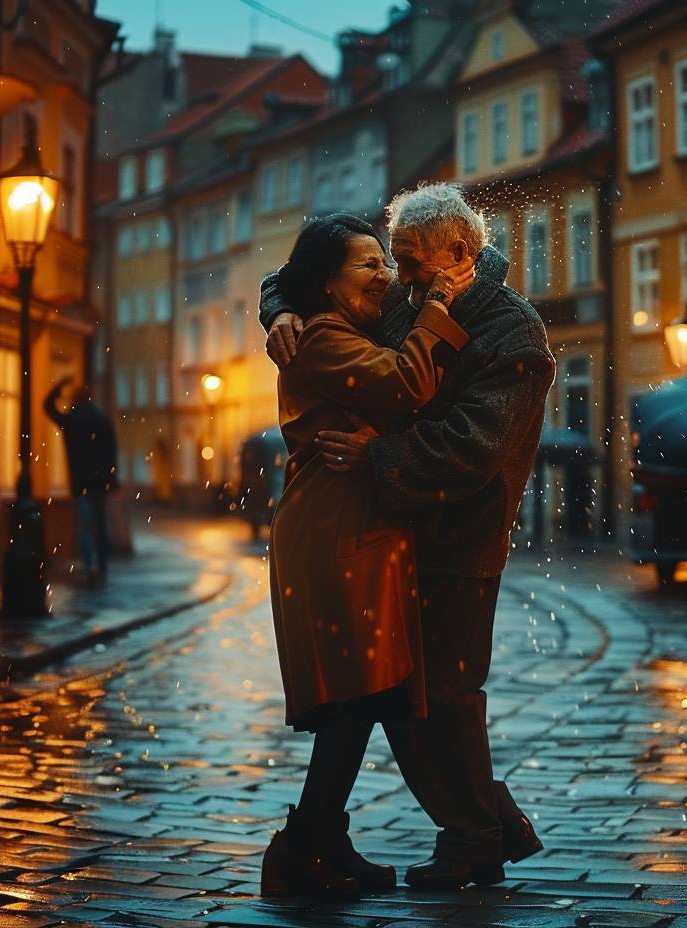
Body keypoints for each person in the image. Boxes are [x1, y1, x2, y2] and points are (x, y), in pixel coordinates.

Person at [259, 182, 554, 890]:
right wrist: (281, 310)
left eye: (411, 262)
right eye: (392, 261)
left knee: (446, 694)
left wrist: (377, 456)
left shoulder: (515, 335)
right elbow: (306, 272)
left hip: (458, 539)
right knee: (397, 699)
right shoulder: (415, 296)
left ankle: (473, 837)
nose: (396, 277)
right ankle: (485, 827)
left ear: (459, 253)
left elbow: (471, 450)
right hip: (387, 534)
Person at [260, 213, 475, 899]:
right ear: (327, 281)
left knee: (366, 691)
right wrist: (438, 308)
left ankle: (317, 839)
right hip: (334, 530)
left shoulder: (338, 325)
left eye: (388, 262)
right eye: (369, 265)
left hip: (360, 528)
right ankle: (308, 846)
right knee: (359, 691)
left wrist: (275, 303)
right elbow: (403, 384)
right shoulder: (322, 336)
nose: (386, 275)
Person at [44, 376, 118, 584]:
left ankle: (90, 566)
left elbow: (48, 407)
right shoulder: (102, 421)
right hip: (99, 482)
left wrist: (58, 386)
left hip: (80, 483)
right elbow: (111, 452)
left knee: (84, 527)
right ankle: (102, 566)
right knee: (100, 524)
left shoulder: (71, 420)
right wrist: (112, 480)